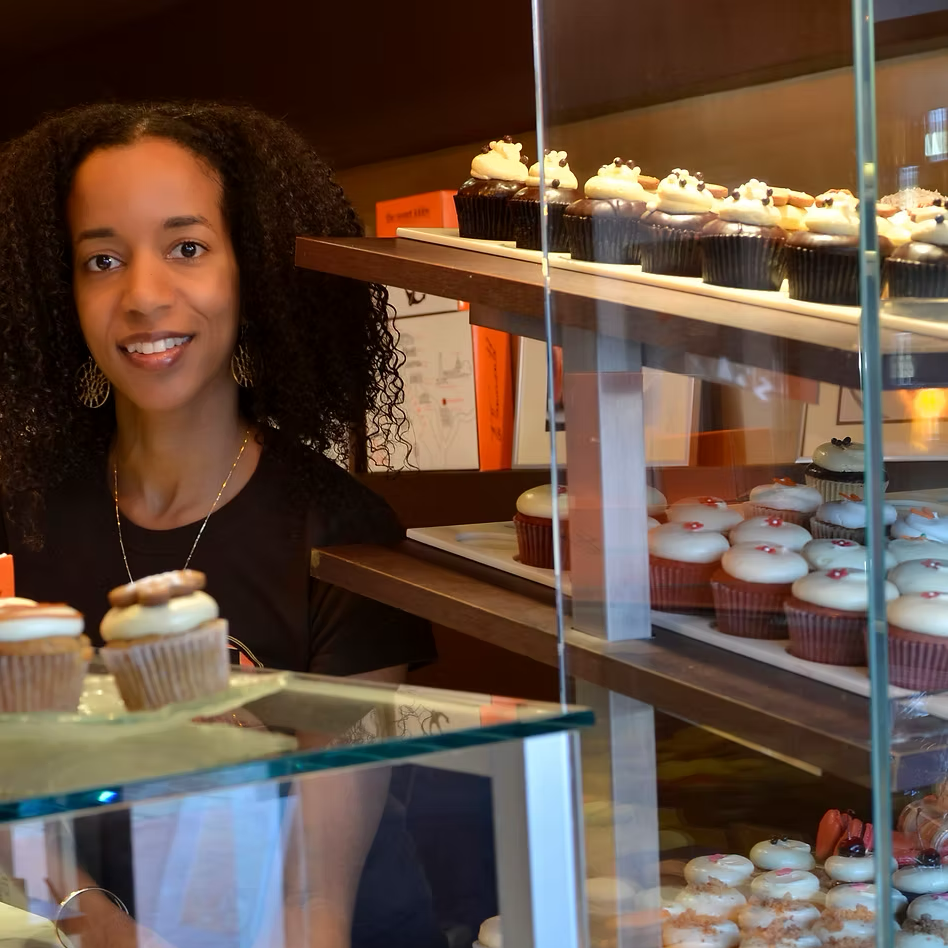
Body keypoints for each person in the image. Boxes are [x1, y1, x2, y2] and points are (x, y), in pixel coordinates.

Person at [0, 102, 443, 948]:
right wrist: (105, 932)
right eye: (102, 260)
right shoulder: (20, 513)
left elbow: (315, 900)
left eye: (187, 248)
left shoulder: (345, 535)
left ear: (254, 270)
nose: (143, 296)